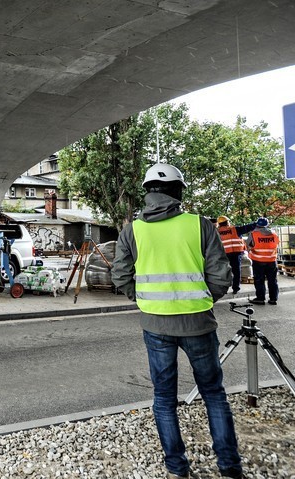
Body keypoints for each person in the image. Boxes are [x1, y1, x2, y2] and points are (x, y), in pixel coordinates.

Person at [112, 163, 244, 479]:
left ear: (148, 192)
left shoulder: (132, 230)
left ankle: (177, 468)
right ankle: (229, 466)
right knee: (213, 394)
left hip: (156, 327)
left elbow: (120, 274)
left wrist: (144, 300)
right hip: (199, 323)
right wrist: (203, 300)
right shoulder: (200, 226)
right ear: (178, 192)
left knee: (164, 399)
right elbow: (221, 274)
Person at [216, 216, 256, 294]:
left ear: (219, 224)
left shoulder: (216, 232)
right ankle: (235, 288)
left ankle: (224, 288)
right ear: (227, 222)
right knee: (236, 271)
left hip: (224, 255)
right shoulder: (235, 229)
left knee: (224, 272)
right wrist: (256, 223)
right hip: (236, 254)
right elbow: (247, 228)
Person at [247, 217, 279, 306]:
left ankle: (260, 299)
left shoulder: (253, 234)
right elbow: (276, 244)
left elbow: (248, 246)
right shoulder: (274, 234)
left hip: (258, 261)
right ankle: (273, 299)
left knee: (259, 280)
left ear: (257, 224)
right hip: (272, 261)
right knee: (272, 280)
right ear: (267, 225)